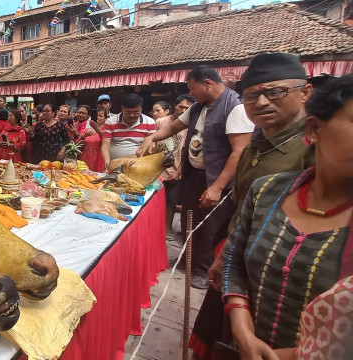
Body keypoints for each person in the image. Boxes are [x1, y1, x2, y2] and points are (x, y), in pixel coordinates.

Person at [189, 53, 316, 360]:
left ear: (305, 92)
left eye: (275, 92)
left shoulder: (315, 149)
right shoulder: (253, 147)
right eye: (251, 95)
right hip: (240, 265)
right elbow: (241, 210)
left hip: (286, 280)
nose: (261, 103)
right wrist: (226, 254)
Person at [222, 74, 352, 359]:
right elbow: (234, 256)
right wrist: (242, 330)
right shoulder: (266, 190)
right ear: (314, 129)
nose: (262, 103)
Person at [138, 65, 254, 289]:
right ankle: (187, 259)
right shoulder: (198, 107)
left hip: (218, 179)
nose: (191, 94)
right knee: (189, 219)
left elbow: (239, 152)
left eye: (193, 89)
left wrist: (217, 187)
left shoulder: (235, 108)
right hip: (194, 175)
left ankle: (202, 269)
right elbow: (173, 127)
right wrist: (151, 138)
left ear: (207, 83)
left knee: (211, 226)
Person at [157, 95, 195, 242]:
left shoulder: (190, 126)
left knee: (172, 201)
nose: (183, 110)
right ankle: (157, 227)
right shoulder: (160, 122)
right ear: (175, 106)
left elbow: (187, 151)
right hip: (158, 168)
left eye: (187, 108)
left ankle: (168, 228)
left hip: (176, 169)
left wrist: (179, 171)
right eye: (181, 106)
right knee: (157, 200)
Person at [101, 93, 156, 168]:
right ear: (122, 108)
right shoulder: (110, 122)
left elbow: (152, 145)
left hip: (139, 165)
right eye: (128, 112)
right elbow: (105, 145)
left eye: (136, 112)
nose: (132, 115)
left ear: (141, 109)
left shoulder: (150, 122)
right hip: (115, 165)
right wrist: (107, 164)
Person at [76, 106, 105, 172]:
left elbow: (107, 141)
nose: (98, 117)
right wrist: (83, 136)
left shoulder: (106, 131)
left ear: (105, 119)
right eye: (96, 116)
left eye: (100, 116)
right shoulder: (85, 130)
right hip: (85, 159)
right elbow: (76, 145)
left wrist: (97, 129)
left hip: (99, 159)